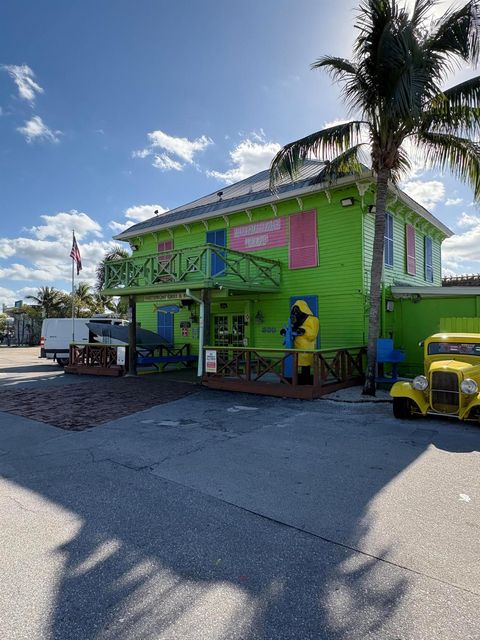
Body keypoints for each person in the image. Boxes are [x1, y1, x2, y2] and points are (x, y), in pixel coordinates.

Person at [281, 300, 319, 384]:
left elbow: (313, 334)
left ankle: (306, 379)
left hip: (307, 346)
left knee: (305, 364)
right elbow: (290, 328)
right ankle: (293, 378)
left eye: (297, 310)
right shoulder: (295, 320)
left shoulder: (313, 319)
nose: (295, 313)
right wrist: (285, 331)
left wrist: (303, 330)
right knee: (293, 362)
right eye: (294, 310)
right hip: (294, 346)